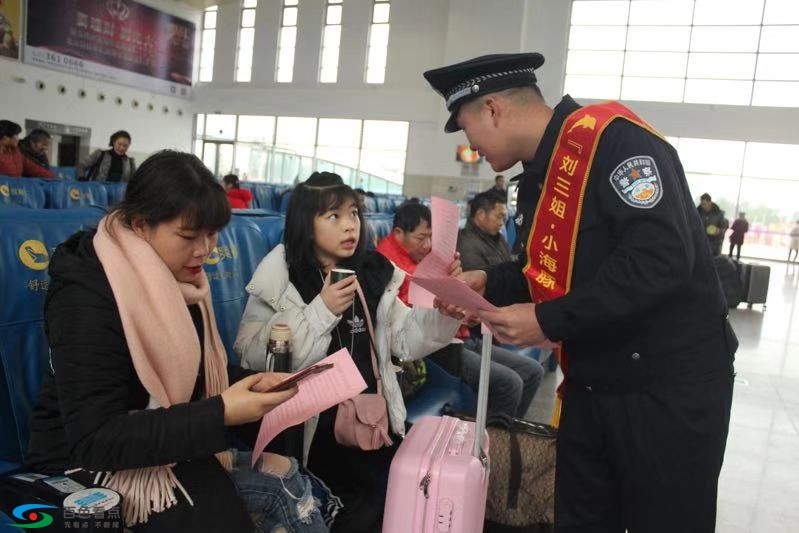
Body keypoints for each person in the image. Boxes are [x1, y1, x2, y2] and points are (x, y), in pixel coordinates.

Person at [424, 53, 737, 532]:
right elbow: (548, 272)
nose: (473, 147)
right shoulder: (534, 178)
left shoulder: (615, 143)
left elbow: (659, 260)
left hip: (667, 389)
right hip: (593, 383)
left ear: (493, 109)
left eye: (468, 131)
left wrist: (548, 321)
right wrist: (491, 282)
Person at [25, 151, 336, 532]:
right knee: (275, 496)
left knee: (294, 479)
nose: (205, 250)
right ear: (141, 225)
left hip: (156, 441)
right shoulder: (87, 294)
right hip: (84, 463)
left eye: (212, 235)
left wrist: (252, 384)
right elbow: (95, 438)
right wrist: (222, 410)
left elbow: (193, 373)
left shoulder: (177, 280)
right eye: (189, 236)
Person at [234, 172, 461, 533]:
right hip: (310, 432)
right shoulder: (281, 276)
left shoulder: (370, 274)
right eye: (333, 216)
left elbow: (404, 337)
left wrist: (443, 316)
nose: (349, 225)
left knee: (412, 480)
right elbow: (253, 357)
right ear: (306, 225)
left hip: (367, 421)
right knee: (368, 497)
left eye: (354, 213)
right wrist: (320, 310)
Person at [378, 199, 543, 418]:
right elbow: (410, 319)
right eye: (421, 238)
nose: (428, 245)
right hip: (437, 348)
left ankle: (507, 435)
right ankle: (485, 445)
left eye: (430, 237)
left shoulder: (423, 255)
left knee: (532, 372)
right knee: (510, 384)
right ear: (398, 233)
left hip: (460, 332)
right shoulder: (383, 265)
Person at [458, 190, 513, 270]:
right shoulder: (468, 245)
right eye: (499, 217)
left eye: (503, 218)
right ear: (481, 215)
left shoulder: (497, 238)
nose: (502, 223)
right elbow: (483, 280)